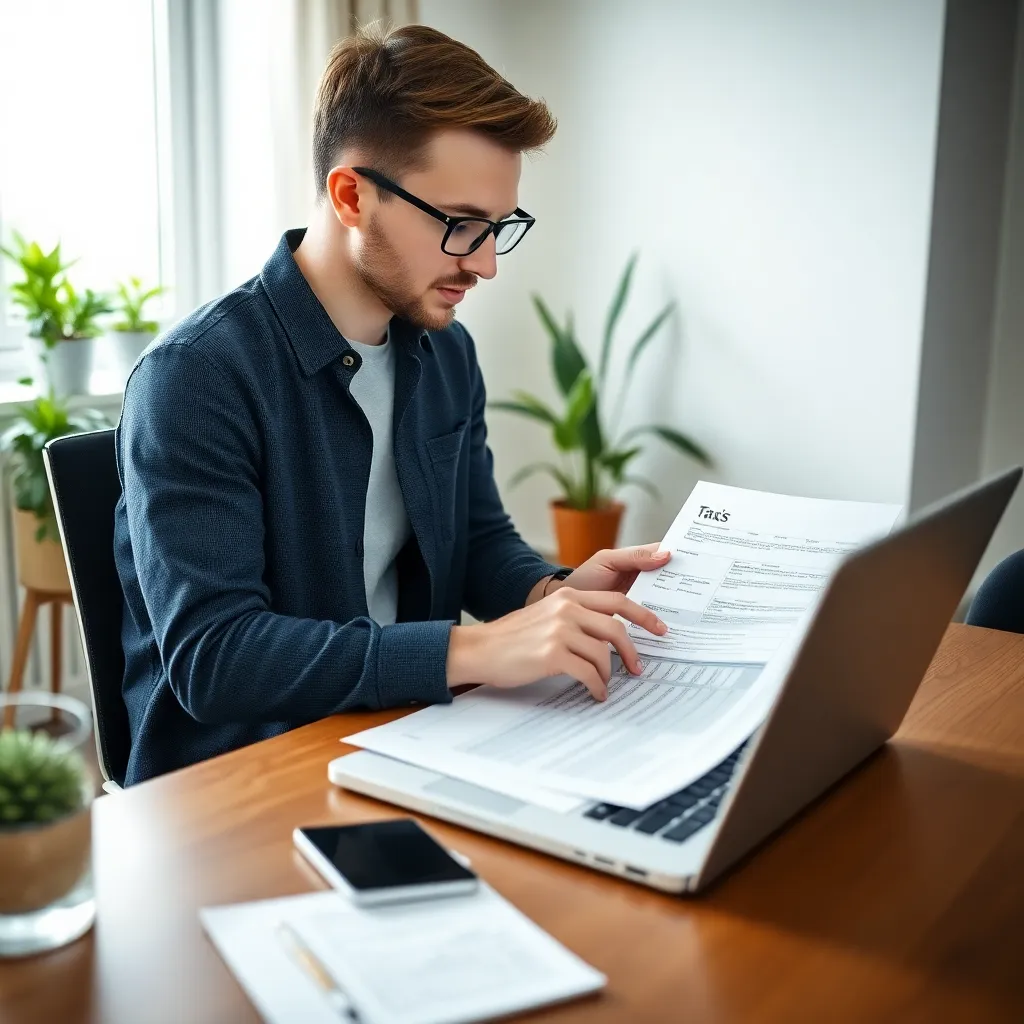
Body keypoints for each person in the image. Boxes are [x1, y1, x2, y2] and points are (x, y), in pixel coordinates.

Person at [113, 22, 670, 786]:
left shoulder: (446, 353)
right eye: (460, 225)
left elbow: (476, 540)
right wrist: (475, 649)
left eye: (498, 228)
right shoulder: (196, 377)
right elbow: (217, 657)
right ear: (352, 195)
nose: (484, 264)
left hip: (400, 739)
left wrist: (554, 593)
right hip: (240, 783)